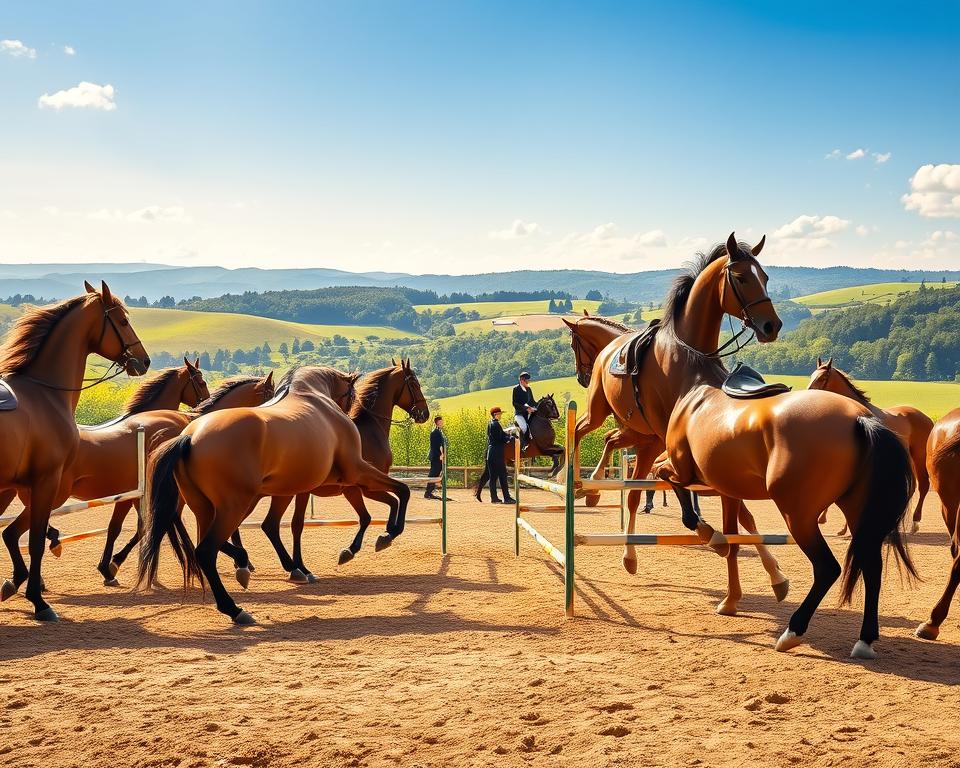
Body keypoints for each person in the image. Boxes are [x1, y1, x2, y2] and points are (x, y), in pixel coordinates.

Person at [485, 406, 515, 504]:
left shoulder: (490, 424)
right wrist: (510, 439)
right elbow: (501, 438)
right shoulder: (496, 424)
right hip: (497, 453)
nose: (501, 415)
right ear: (495, 415)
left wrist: (508, 436)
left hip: (491, 453)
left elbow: (501, 434)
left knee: (493, 477)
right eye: (500, 414)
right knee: (502, 475)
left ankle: (494, 498)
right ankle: (507, 498)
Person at [512, 371, 536, 449]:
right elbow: (515, 403)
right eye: (527, 381)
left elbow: (532, 401)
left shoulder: (529, 389)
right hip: (519, 414)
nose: (528, 382)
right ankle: (523, 446)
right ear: (522, 380)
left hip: (528, 414)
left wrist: (540, 404)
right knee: (524, 427)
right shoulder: (516, 389)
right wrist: (526, 409)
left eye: (529, 381)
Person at [425, 415, 445, 500]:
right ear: (437, 423)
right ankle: (428, 492)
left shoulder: (438, 431)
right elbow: (437, 445)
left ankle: (429, 491)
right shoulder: (436, 432)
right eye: (440, 422)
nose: (442, 423)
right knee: (433, 474)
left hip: (436, 456)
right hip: (436, 456)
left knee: (434, 474)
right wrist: (441, 454)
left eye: (442, 422)